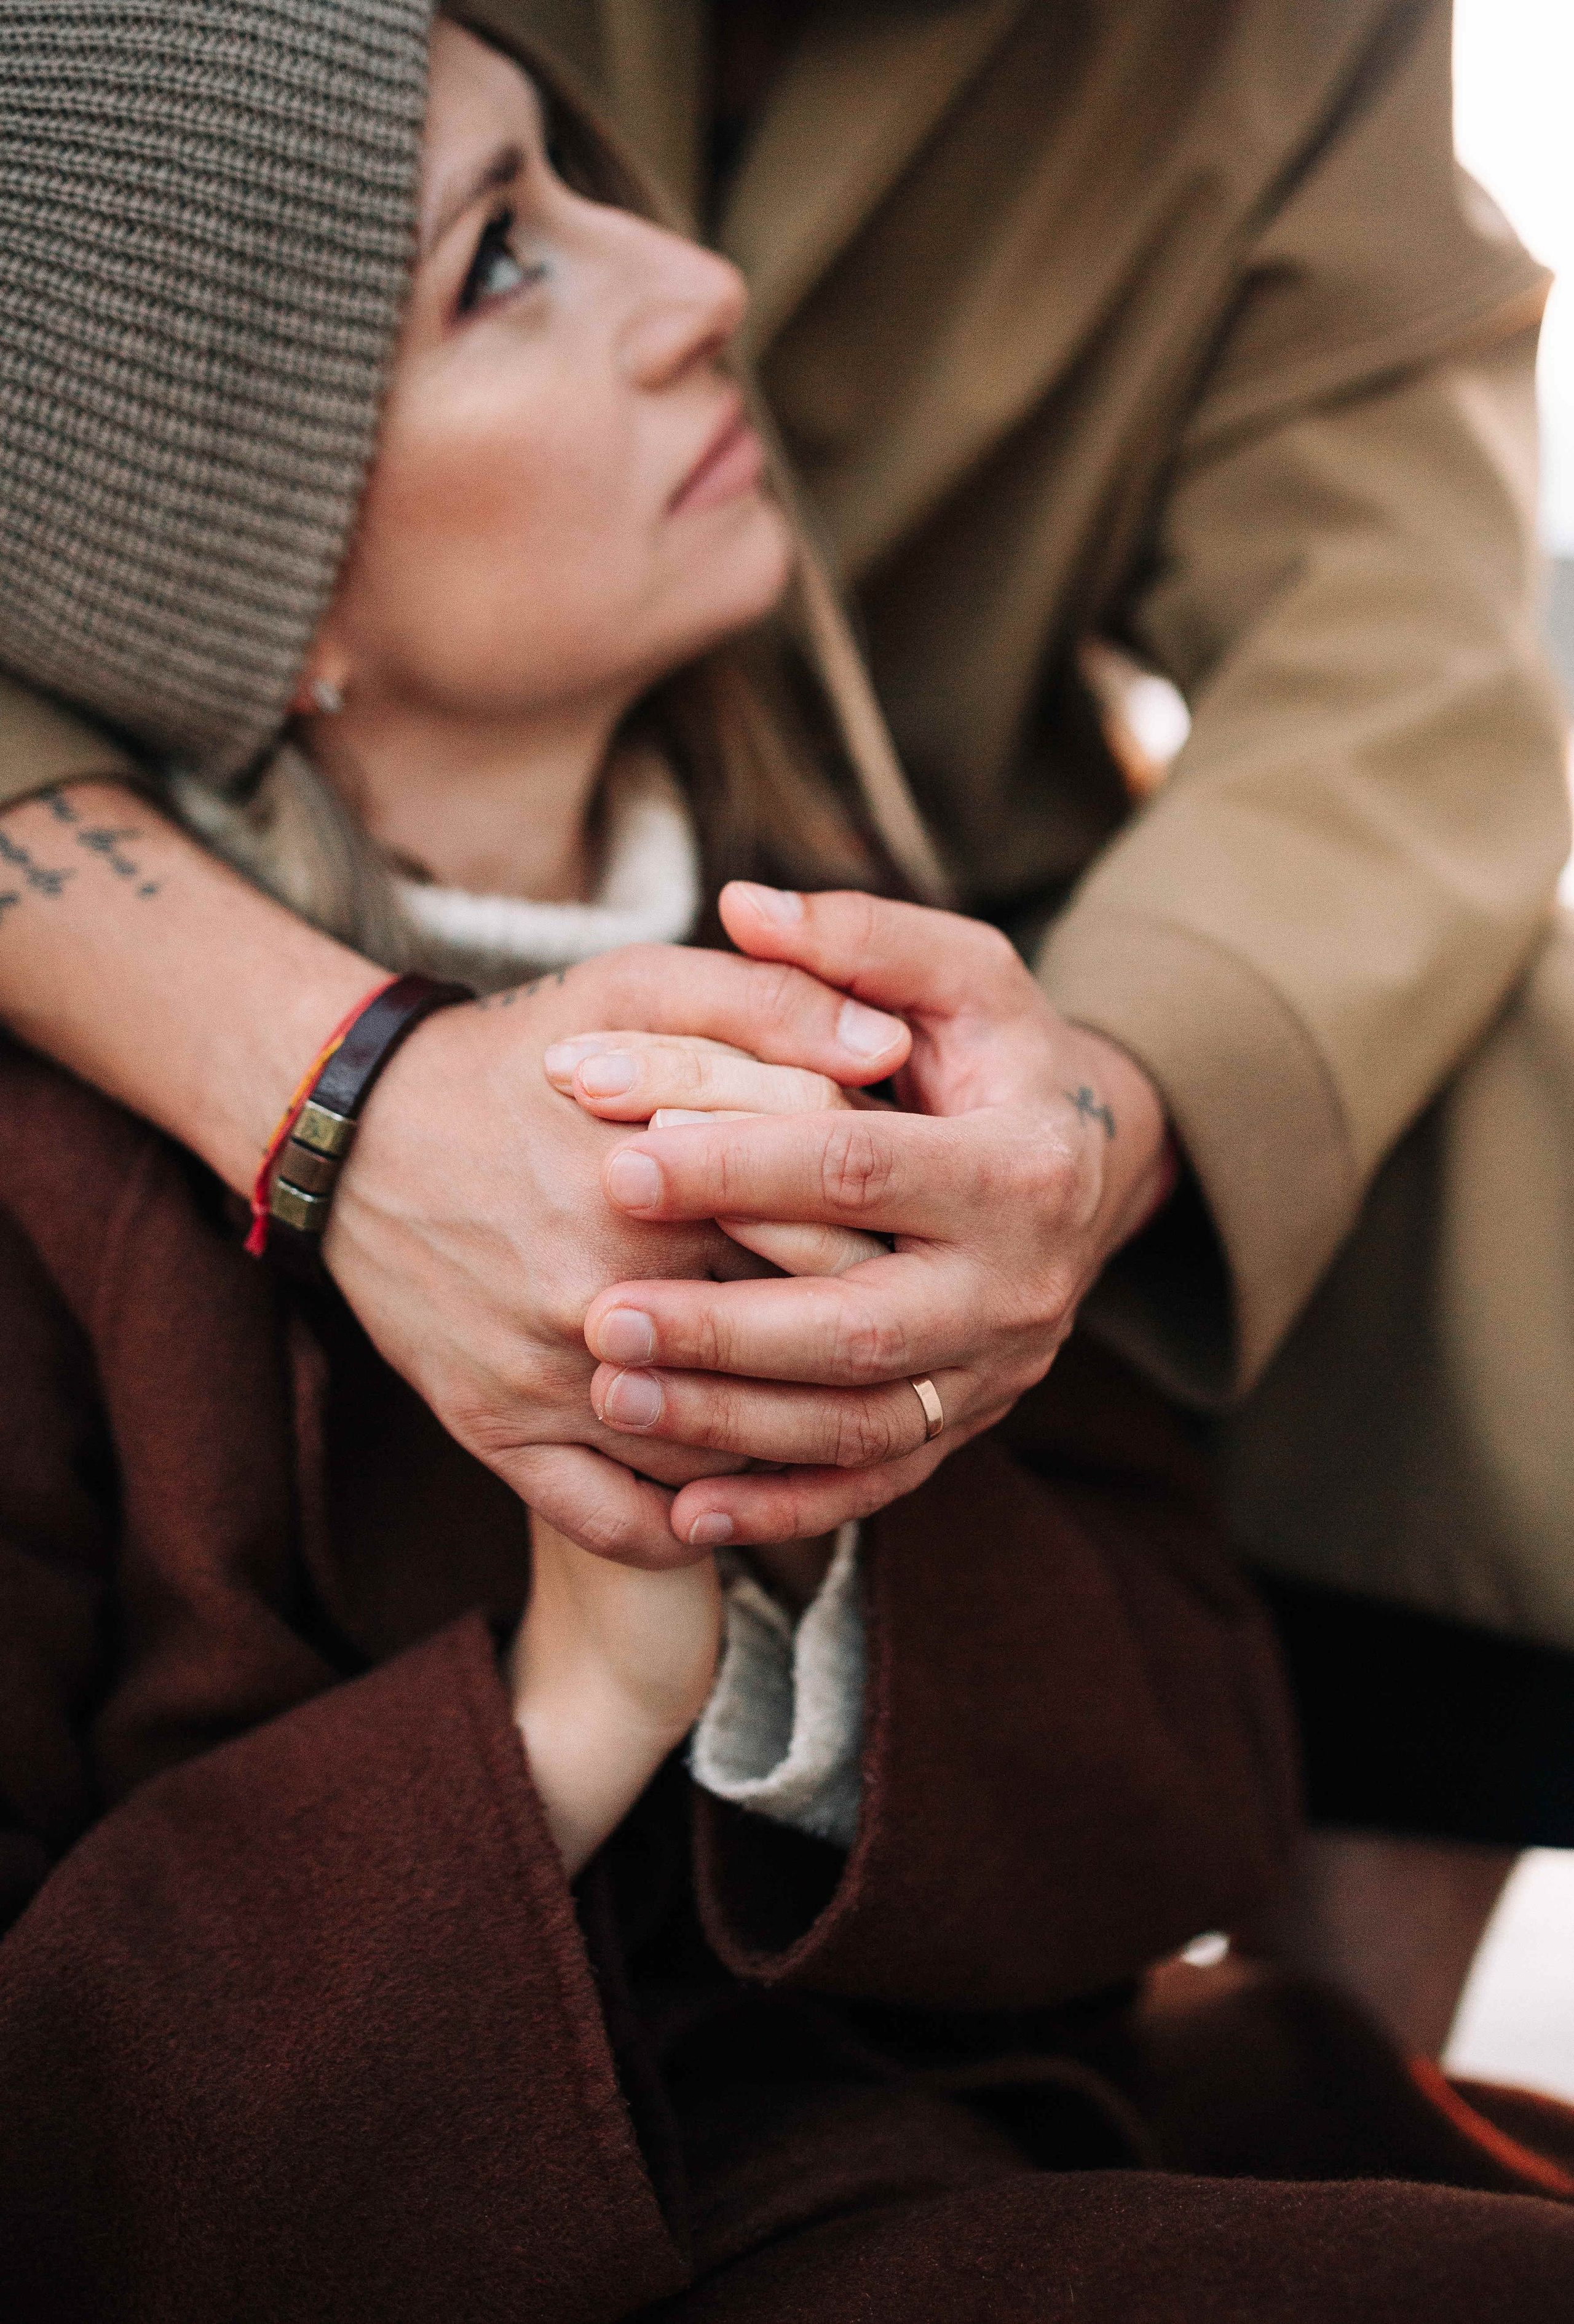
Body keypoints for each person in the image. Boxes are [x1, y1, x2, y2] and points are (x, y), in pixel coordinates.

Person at [7, 12, 1574, 2317]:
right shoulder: (66, 1200)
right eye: (501, 260)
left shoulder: (855, 985)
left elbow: (1189, 1743)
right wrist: (576, 1699)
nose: (703, 283)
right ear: (247, 576)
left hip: (991, 2123)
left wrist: (819, 1575)